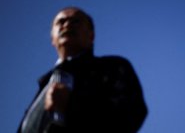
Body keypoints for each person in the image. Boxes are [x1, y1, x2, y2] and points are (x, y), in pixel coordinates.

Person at [18, 7, 148, 133]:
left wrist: (72, 106)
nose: (67, 24)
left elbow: (131, 113)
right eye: (61, 22)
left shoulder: (112, 68)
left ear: (91, 35)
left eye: (76, 21)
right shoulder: (44, 86)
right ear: (52, 38)